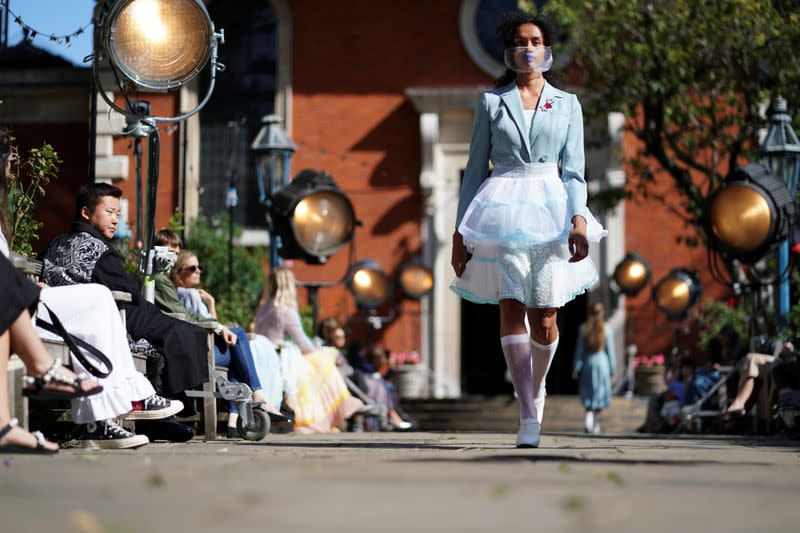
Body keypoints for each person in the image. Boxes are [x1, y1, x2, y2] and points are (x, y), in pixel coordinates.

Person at [449, 13, 606, 448]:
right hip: (501, 206)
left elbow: (574, 171)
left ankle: (536, 387)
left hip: (552, 208)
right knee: (511, 302)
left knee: (546, 317)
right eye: (520, 41)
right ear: (510, 49)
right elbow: (473, 169)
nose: (528, 48)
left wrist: (578, 218)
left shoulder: (568, 103)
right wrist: (459, 233)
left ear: (547, 48)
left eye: (535, 40)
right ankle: (527, 412)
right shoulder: (491, 102)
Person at [0, 127, 177, 449]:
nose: (14, 163)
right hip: (16, 300)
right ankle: (124, 403)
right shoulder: (85, 245)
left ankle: (109, 414)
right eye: (10, 157)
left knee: (99, 297)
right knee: (97, 296)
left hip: (19, 295)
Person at [42, 183, 206, 442]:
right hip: (97, 322)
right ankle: (160, 419)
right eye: (109, 212)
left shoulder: (56, 242)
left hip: (58, 320)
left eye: (118, 213)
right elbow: (129, 292)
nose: (115, 219)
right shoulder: (97, 250)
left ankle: (165, 412)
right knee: (173, 333)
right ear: (86, 213)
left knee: (175, 330)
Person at [168, 247, 290, 435]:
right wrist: (223, 326)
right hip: (201, 351)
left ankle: (234, 421)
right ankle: (256, 396)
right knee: (239, 337)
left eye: (199, 267)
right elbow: (206, 324)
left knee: (237, 350)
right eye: (192, 268)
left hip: (203, 345)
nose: (198, 271)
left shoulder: (192, 294)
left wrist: (211, 304)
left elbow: (210, 321)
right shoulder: (188, 294)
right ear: (178, 272)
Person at [254, 267, 364, 433]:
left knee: (321, 358)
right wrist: (319, 350)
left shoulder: (264, 307)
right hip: (280, 356)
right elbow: (303, 343)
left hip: (264, 353)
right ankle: (330, 413)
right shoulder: (285, 310)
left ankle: (335, 412)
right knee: (323, 358)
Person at [572, 302, 616, 434]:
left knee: (588, 391)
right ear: (602, 312)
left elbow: (579, 351)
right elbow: (611, 351)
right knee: (600, 392)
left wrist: (576, 367)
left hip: (588, 362)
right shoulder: (607, 328)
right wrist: (613, 369)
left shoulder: (584, 328)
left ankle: (588, 419)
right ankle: (596, 424)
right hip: (602, 362)